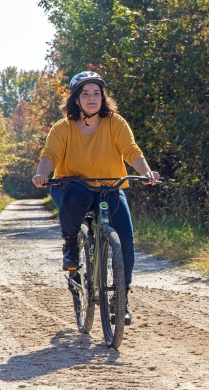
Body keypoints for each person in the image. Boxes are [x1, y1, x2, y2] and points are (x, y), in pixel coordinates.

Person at [32, 71, 159, 325]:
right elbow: (51, 154)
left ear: (103, 97)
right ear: (76, 99)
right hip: (71, 187)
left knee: (125, 240)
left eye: (96, 93)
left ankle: (120, 299)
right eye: (85, 94)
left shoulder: (115, 123)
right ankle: (70, 243)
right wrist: (42, 174)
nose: (92, 98)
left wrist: (146, 172)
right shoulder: (63, 127)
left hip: (108, 187)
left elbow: (130, 150)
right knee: (78, 194)